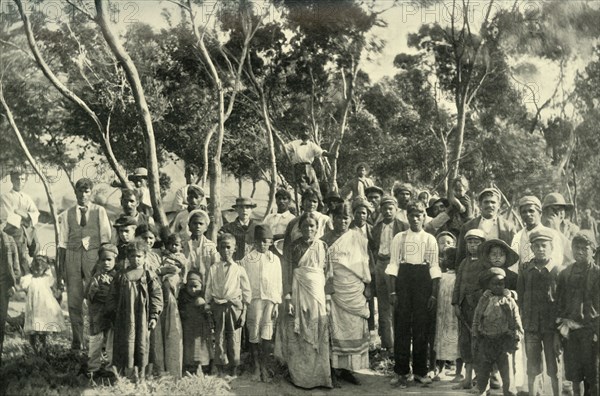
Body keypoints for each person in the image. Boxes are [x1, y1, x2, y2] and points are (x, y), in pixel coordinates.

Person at [386, 201, 441, 388]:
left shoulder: (430, 239)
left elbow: (434, 268)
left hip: (423, 282)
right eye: (412, 215)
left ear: (424, 217)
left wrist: (433, 295)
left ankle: (420, 371)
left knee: (421, 328)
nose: (416, 218)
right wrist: (393, 291)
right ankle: (401, 371)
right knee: (402, 327)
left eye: (419, 215)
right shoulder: (399, 238)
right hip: (404, 281)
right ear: (407, 217)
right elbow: (393, 265)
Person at [275, 212, 333, 388]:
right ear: (300, 228)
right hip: (298, 291)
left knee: (318, 329)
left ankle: (321, 377)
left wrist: (328, 297)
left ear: (317, 229)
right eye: (305, 226)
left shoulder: (323, 246)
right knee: (298, 332)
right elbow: (287, 271)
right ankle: (301, 377)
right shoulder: (294, 247)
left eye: (312, 226)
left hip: (318, 294)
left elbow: (329, 273)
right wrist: (287, 295)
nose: (309, 229)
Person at [57, 178, 111, 351]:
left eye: (86, 191)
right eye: (80, 190)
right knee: (74, 301)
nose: (83, 194)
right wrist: (61, 271)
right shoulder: (67, 214)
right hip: (72, 258)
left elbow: (106, 240)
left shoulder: (99, 211)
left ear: (91, 192)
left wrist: (103, 267)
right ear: (75, 192)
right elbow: (62, 244)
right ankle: (77, 340)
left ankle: (97, 340)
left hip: (93, 259)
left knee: (95, 298)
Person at [322, 203, 371, 385]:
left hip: (354, 289)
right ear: (332, 219)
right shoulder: (324, 240)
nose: (342, 220)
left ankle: (347, 369)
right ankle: (332, 368)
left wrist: (367, 285)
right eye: (338, 217)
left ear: (350, 219)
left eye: (345, 217)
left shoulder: (358, 237)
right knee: (333, 328)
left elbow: (365, 262)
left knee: (353, 327)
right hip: (334, 290)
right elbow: (322, 267)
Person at [107, 240, 163, 382]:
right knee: (125, 344)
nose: (135, 259)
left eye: (139, 256)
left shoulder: (149, 275)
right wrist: (112, 314)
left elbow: (156, 295)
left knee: (142, 345)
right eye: (132, 256)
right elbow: (112, 296)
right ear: (127, 258)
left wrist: (154, 316)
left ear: (145, 257)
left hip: (143, 317)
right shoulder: (120, 275)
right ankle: (126, 375)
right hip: (124, 317)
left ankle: (142, 376)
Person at [516, 228, 561, 396]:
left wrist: (558, 330)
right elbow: (520, 297)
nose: (541, 249)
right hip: (531, 326)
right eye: (537, 246)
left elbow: (561, 301)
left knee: (553, 368)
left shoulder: (557, 271)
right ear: (532, 249)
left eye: (544, 246)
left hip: (551, 328)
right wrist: (522, 322)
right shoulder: (526, 270)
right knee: (532, 368)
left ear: (551, 248)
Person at [556, 231, 599, 396]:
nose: (580, 251)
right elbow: (560, 305)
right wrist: (560, 332)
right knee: (574, 373)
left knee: (592, 373)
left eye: (584, 248)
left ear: (593, 251)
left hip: (591, 331)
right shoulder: (565, 274)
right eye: (576, 247)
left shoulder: (597, 274)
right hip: (571, 330)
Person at [204, 233, 251, 377]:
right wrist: (207, 306)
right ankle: (220, 368)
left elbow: (246, 291)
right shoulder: (214, 268)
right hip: (218, 306)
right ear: (218, 248)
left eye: (228, 247)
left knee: (234, 337)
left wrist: (243, 312)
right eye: (222, 247)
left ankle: (234, 367)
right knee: (219, 337)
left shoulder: (239, 269)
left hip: (234, 307)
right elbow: (209, 288)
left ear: (234, 248)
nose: (225, 250)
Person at [240, 225, 282, 382]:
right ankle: (256, 366)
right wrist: (246, 302)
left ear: (271, 242)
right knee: (254, 333)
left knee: (267, 334)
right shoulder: (247, 259)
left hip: (270, 301)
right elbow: (244, 283)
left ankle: (264, 366)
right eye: (261, 241)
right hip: (254, 301)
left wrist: (277, 303)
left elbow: (278, 282)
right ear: (255, 242)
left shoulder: (275, 259)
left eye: (267, 242)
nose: (264, 245)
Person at [472, 268, 523, 396]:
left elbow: (516, 317)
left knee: (507, 372)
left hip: (504, 341)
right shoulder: (484, 300)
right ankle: (481, 390)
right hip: (486, 340)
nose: (498, 287)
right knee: (483, 371)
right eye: (494, 284)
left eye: (501, 284)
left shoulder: (509, 300)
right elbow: (477, 317)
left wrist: (517, 332)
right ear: (488, 285)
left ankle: (509, 392)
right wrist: (475, 334)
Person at [370, 195, 407, 354]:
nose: (387, 211)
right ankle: (388, 345)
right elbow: (372, 247)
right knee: (383, 305)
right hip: (380, 263)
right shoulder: (376, 228)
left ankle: (401, 343)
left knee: (397, 304)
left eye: (390, 208)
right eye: (384, 208)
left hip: (395, 265)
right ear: (380, 210)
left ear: (396, 210)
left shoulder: (404, 226)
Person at [452, 228, 486, 390]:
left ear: (482, 244)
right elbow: (458, 285)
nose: (473, 246)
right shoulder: (463, 263)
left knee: (479, 342)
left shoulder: (485, 263)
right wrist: (455, 303)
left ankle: (482, 379)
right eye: (470, 242)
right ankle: (467, 378)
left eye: (476, 242)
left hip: (479, 309)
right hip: (463, 308)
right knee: (465, 342)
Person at [455, 187, 516, 266]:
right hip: (474, 271)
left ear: (499, 205)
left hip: (500, 272)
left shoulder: (509, 228)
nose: (490, 205)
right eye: (486, 202)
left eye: (493, 202)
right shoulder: (467, 227)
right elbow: (461, 255)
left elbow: (514, 255)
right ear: (480, 204)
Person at [20, 255, 66, 354]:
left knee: (43, 326)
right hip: (33, 307)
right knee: (33, 328)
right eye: (36, 268)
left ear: (45, 269)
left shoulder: (47, 278)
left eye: (41, 268)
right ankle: (33, 348)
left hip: (43, 308)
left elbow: (54, 288)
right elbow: (23, 285)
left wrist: (58, 290)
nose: (38, 271)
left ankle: (43, 347)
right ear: (32, 268)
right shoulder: (29, 279)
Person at [86, 244, 118, 377]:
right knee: (96, 340)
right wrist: (97, 289)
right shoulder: (96, 276)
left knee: (111, 341)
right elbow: (88, 294)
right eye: (103, 260)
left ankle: (111, 368)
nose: (106, 263)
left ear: (115, 260)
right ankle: (93, 368)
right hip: (98, 313)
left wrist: (110, 287)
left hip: (111, 314)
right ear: (99, 261)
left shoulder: (118, 277)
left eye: (109, 260)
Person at [511, 196, 566, 272]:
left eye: (531, 211)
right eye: (524, 212)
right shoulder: (517, 237)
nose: (528, 214)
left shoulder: (552, 234)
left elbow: (558, 260)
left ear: (540, 213)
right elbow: (514, 263)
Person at [282, 188, 332, 268]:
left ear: (318, 203)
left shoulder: (325, 220)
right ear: (302, 202)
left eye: (314, 201)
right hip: (297, 264)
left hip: (318, 263)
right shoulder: (293, 222)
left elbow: (330, 244)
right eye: (309, 200)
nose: (311, 204)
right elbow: (287, 247)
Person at [434, 247, 461, 382]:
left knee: (456, 340)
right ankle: (439, 369)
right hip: (442, 314)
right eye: (445, 258)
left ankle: (458, 372)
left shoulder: (459, 277)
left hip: (454, 315)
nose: (447, 261)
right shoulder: (440, 276)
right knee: (441, 340)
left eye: (451, 259)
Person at [178, 270, 213, 375]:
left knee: (201, 348)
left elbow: (209, 313)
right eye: (190, 287)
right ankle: (190, 368)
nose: (193, 289)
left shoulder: (203, 298)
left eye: (195, 286)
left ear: (201, 286)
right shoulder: (183, 297)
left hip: (200, 329)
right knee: (189, 349)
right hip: (188, 329)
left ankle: (202, 367)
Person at [283, 131, 331, 200]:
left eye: (307, 132)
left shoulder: (312, 145)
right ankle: (307, 202)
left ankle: (320, 203)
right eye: (303, 131)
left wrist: (331, 155)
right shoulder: (294, 143)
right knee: (304, 189)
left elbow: (321, 152)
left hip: (309, 167)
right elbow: (284, 148)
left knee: (316, 187)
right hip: (298, 167)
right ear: (300, 134)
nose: (305, 133)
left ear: (309, 134)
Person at [0, 228, 19, 364]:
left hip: (3, 284)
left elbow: (16, 265)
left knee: (1, 318)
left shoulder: (9, 240)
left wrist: (14, 284)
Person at [182, 210, 218, 280]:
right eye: (195, 223)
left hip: (206, 280)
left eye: (201, 224)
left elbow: (215, 265)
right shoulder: (183, 245)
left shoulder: (210, 246)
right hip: (187, 280)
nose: (198, 226)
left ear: (206, 228)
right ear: (189, 226)